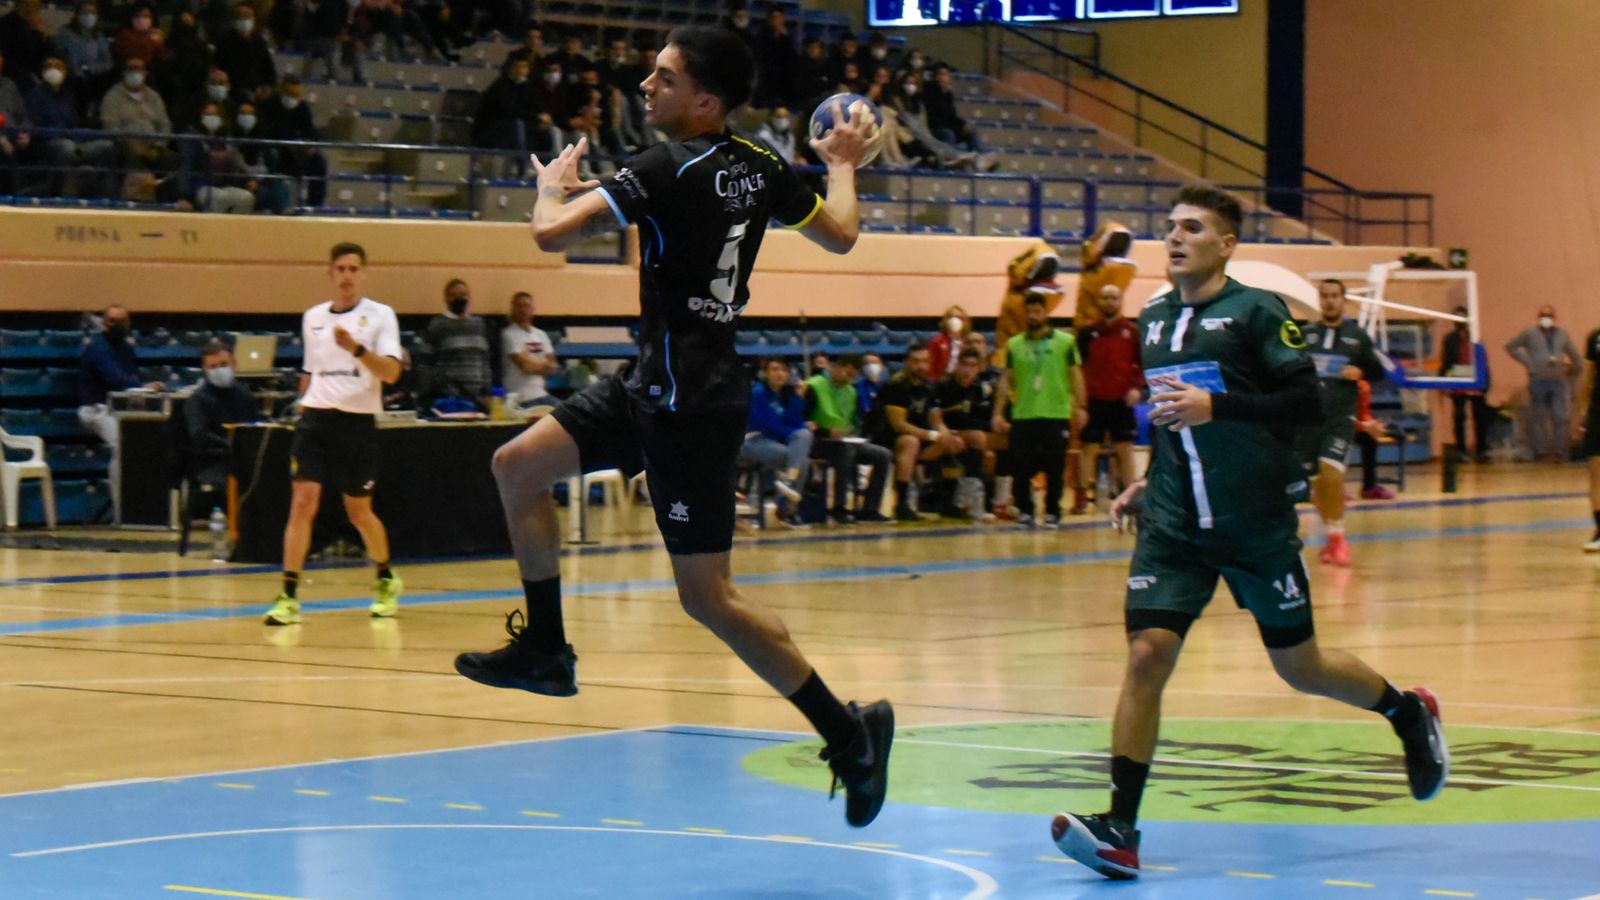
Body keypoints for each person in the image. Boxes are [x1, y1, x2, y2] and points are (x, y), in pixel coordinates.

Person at [450, 26, 894, 829]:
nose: (646, 86)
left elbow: (550, 235)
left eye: (663, 77)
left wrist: (551, 184)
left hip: (688, 400)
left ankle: (849, 733)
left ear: (705, 101)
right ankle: (546, 650)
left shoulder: (659, 168)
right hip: (657, 380)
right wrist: (840, 166)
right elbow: (842, 232)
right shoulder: (759, 165)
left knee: (710, 600)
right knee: (517, 465)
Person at [1050, 186, 1447, 880]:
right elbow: (1179, 416)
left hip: (1254, 521)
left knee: (1302, 668)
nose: (1174, 238)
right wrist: (1152, 477)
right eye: (1170, 226)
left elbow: (1303, 403)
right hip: (1175, 520)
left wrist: (1219, 406)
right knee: (1147, 656)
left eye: (1192, 228)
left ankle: (1405, 711)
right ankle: (1120, 829)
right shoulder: (1150, 316)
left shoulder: (1258, 312)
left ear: (1226, 244)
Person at [262, 243, 405, 626]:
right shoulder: (313, 318)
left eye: (353, 269)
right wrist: (304, 400)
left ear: (363, 273)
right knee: (302, 502)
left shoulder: (380, 316)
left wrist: (356, 348)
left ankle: (386, 578)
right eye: (340, 268)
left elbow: (391, 374)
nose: (346, 275)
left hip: (357, 424)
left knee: (358, 511)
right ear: (330, 273)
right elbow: (310, 372)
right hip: (316, 421)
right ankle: (288, 596)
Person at [1302, 278, 1386, 566]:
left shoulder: (1357, 336)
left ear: (1343, 300)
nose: (1329, 301)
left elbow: (1376, 372)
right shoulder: (1306, 334)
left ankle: (1339, 540)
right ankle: (1331, 536)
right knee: (1319, 486)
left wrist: (1359, 371)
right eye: (1324, 295)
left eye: (1335, 296)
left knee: (1332, 473)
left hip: (1339, 419)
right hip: (1308, 420)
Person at [992, 288, 1084, 527]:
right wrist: (998, 412)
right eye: (1029, 311)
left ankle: (1053, 510)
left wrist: (1081, 406)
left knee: (1056, 466)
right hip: (1023, 413)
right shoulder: (1014, 344)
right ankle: (1025, 510)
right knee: (1020, 465)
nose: (1033, 315)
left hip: (1056, 413)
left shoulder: (1065, 342)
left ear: (1046, 313)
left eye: (1038, 311)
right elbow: (1006, 379)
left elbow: (1076, 376)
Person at [869, 342, 961, 521]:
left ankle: (946, 502)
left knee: (951, 442)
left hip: (920, 435)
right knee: (910, 442)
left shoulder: (929, 386)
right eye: (915, 361)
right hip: (887, 437)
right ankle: (901, 504)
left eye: (925, 361)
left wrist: (945, 435)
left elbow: (936, 419)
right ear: (907, 362)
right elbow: (899, 425)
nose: (921, 366)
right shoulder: (896, 385)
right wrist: (933, 436)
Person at [1077, 283, 1143, 509]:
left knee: (1125, 447)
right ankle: (1082, 496)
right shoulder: (1087, 333)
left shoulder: (1132, 331)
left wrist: (1137, 388)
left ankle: (1129, 494)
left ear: (1120, 301)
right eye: (1105, 298)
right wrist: (1080, 402)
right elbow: (1077, 368)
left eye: (1114, 297)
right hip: (1093, 400)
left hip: (1121, 399)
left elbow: (1142, 364)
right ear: (1099, 302)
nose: (1109, 302)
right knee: (1088, 447)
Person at [804, 353, 892, 523]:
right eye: (846, 372)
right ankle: (840, 506)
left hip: (844, 441)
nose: (848, 378)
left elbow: (854, 421)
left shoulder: (851, 391)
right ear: (836, 367)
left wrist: (854, 432)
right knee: (845, 452)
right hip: (817, 441)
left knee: (882, 455)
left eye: (853, 376)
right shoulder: (814, 386)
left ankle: (870, 508)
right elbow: (803, 421)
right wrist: (827, 432)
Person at [184, 339, 258, 514]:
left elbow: (254, 425)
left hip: (244, 457)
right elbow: (199, 436)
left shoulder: (244, 394)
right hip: (211, 462)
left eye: (224, 364)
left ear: (234, 364)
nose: (219, 370)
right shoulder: (198, 400)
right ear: (205, 370)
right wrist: (230, 445)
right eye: (213, 366)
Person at [78, 304, 164, 446]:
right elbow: (115, 378)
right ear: (104, 323)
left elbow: (132, 377)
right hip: (95, 408)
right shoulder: (96, 349)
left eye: (121, 321)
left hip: (121, 406)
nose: (117, 325)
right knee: (123, 444)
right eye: (112, 321)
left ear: (128, 323)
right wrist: (144, 386)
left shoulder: (127, 349)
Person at [1505, 305, 1580, 462]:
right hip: (1538, 379)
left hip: (1557, 380)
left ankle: (1559, 451)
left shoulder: (1562, 334)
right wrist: (1528, 362)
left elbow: (1574, 354)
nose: (1546, 319)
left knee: (1560, 416)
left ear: (1554, 318)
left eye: (1549, 316)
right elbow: (1511, 347)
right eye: (1543, 316)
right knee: (1539, 417)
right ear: (1539, 317)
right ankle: (1541, 452)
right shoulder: (1530, 333)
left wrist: (1573, 369)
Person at [741, 357, 812, 516]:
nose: (780, 373)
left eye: (784, 370)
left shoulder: (784, 395)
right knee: (800, 459)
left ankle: (788, 488)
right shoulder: (758, 393)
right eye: (775, 369)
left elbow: (793, 421)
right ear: (765, 373)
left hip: (773, 441)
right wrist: (796, 431)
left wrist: (798, 398)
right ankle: (786, 510)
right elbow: (770, 427)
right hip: (753, 441)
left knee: (804, 438)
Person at [936, 346, 1000, 519]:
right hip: (945, 434)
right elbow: (954, 419)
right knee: (977, 437)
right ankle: (967, 500)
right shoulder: (945, 387)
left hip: (969, 433)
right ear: (957, 365)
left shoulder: (980, 390)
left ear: (979, 369)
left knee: (1008, 440)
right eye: (964, 365)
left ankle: (1001, 501)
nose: (968, 370)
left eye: (973, 366)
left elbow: (985, 417)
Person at [417, 278, 493, 410]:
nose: (459, 299)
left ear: (469, 297)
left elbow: (485, 361)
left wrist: (487, 391)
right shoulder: (437, 325)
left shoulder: (480, 325)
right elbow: (425, 364)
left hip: (479, 400)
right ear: (446, 298)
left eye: (463, 295)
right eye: (454, 295)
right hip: (450, 400)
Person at [1439, 305, 1492, 463]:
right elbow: (1446, 362)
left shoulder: (1475, 337)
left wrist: (1486, 383)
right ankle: (1460, 450)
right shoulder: (1449, 339)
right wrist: (1444, 382)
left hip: (1476, 380)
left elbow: (1483, 361)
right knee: (1459, 417)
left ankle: (1481, 449)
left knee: (1480, 417)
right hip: (1459, 380)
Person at [502, 290, 558, 409]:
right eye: (519, 306)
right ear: (513, 309)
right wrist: (543, 365)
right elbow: (524, 366)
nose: (523, 310)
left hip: (542, 394)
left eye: (526, 306)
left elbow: (553, 366)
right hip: (520, 398)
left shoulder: (540, 334)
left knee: (567, 416)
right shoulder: (509, 334)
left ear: (533, 309)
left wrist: (531, 363)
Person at [926, 303, 970, 379]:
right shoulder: (936, 342)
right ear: (945, 321)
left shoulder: (969, 342)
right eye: (951, 317)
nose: (955, 320)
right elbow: (931, 368)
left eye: (959, 318)